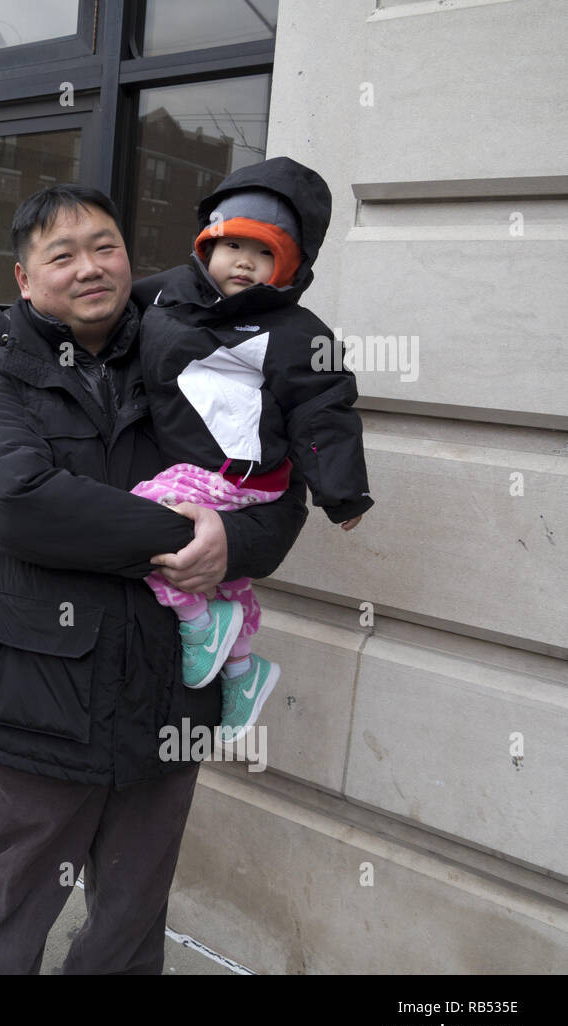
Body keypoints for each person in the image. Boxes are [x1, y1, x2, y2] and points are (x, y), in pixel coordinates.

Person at [0, 184, 308, 974]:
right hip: (40, 695)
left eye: (105, 246)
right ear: (25, 281)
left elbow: (276, 494)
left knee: (133, 920)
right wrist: (194, 538)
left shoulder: (192, 348)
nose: (89, 267)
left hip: (166, 692)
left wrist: (233, 540)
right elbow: (20, 503)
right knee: (5, 908)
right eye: (60, 255)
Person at [129, 156, 373, 740]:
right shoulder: (163, 295)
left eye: (264, 252)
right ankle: (242, 671)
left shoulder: (296, 332)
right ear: (205, 246)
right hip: (196, 469)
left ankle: (198, 625)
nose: (245, 262)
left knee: (141, 520)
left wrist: (342, 492)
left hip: (240, 475)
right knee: (226, 582)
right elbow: (95, 310)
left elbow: (324, 409)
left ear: (288, 267)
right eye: (233, 244)